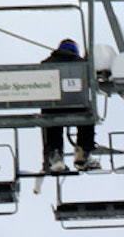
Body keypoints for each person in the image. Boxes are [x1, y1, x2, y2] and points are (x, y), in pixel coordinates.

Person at [41, 39, 97, 173]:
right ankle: (83, 151)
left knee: (51, 121)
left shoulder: (46, 64)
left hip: (53, 108)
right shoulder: (81, 64)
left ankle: (55, 154)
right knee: (88, 115)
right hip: (77, 106)